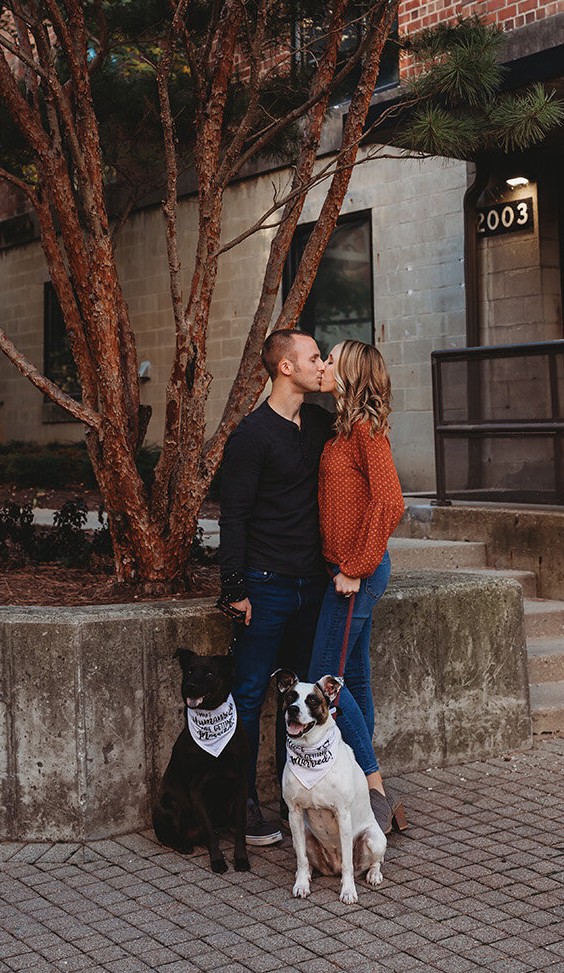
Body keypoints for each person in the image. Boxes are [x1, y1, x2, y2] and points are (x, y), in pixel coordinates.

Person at [218, 328, 333, 846]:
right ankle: (240, 808)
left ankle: (304, 802)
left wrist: (338, 385)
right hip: (265, 587)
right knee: (247, 696)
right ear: (285, 367)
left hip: (314, 585)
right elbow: (234, 516)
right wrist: (234, 587)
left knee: (306, 697)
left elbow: (366, 418)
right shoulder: (251, 435)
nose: (321, 364)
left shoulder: (318, 423)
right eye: (313, 358)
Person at [310, 339, 406, 835]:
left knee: (324, 674)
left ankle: (373, 787)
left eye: (329, 360)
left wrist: (355, 567)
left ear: (349, 372)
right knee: (356, 677)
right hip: (345, 570)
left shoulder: (367, 431)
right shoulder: (343, 430)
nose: (322, 365)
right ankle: (374, 793)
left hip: (357, 575)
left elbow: (390, 503)